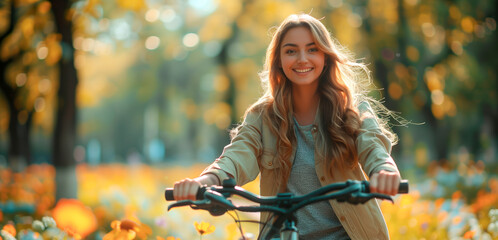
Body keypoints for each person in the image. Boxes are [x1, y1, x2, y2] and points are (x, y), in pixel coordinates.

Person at [173, 13, 401, 240]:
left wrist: (384, 171)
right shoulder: (262, 116)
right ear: (279, 61)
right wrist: (207, 181)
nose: (302, 59)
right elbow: (237, 155)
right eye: (291, 51)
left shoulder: (352, 110)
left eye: (312, 49)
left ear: (326, 57)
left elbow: (373, 146)